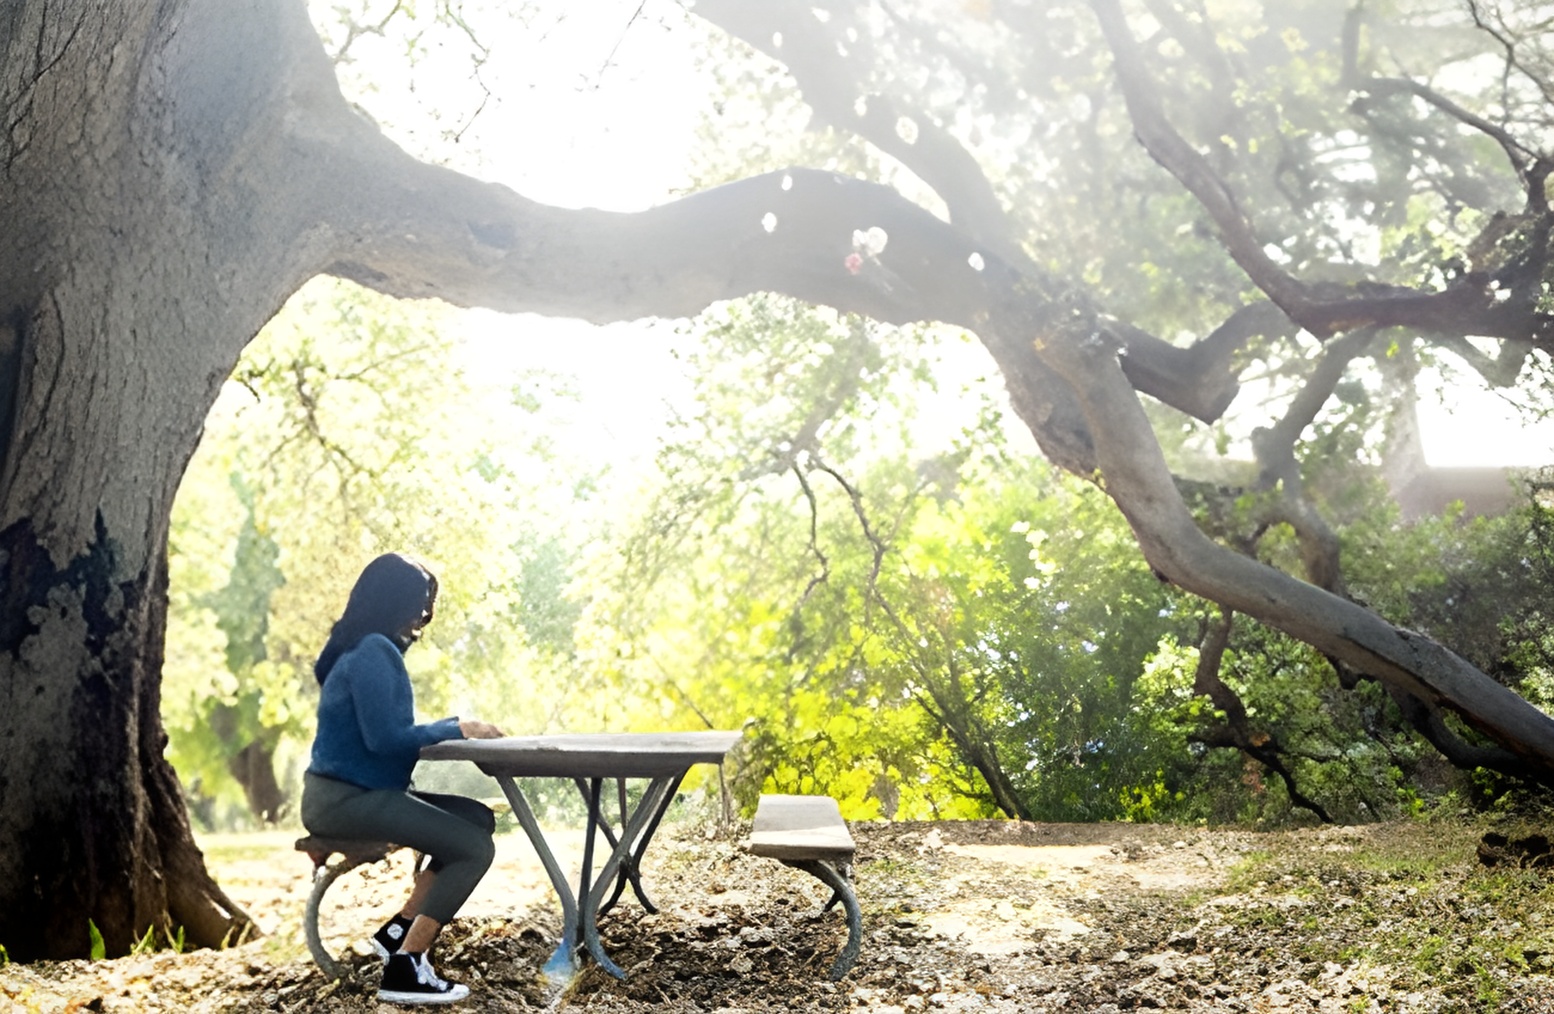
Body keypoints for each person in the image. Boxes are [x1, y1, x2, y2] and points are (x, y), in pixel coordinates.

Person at [301, 552, 504, 1005]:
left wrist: (450, 729)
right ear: (394, 601)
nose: (426, 613)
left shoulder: (368, 648)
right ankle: (407, 968)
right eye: (420, 600)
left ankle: (398, 930)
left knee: (476, 819)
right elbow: (386, 739)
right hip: (347, 800)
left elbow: (381, 732)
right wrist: (457, 728)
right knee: (474, 849)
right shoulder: (373, 651)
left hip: (358, 794)